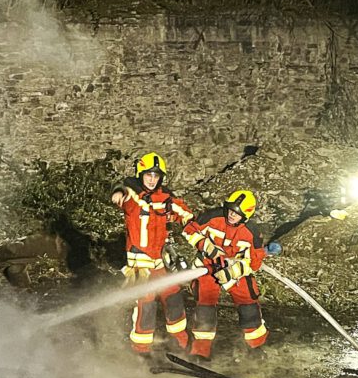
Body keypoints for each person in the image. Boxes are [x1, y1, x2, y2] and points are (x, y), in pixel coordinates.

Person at [111, 152, 194, 354]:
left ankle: (181, 343)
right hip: (141, 267)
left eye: (156, 176)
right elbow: (123, 191)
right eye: (149, 175)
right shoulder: (134, 198)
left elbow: (186, 215)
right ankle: (141, 351)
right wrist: (118, 193)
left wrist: (197, 233)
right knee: (146, 306)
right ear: (141, 175)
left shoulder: (165, 198)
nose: (152, 179)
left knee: (173, 296)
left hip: (161, 264)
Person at [182, 190, 268, 359]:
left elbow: (255, 262)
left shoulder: (252, 232)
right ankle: (200, 351)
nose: (231, 215)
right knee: (204, 307)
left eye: (237, 213)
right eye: (230, 210)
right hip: (207, 267)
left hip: (234, 270)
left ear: (246, 215)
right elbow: (188, 230)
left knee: (249, 305)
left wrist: (233, 271)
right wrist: (204, 245)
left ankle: (255, 348)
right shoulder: (213, 217)